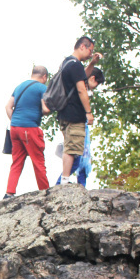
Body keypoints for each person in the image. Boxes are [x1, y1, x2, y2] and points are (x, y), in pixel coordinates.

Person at [54, 37, 104, 185]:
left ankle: (64, 179)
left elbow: (82, 75)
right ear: (82, 46)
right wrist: (88, 112)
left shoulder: (67, 63)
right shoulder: (75, 65)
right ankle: (64, 181)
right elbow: (82, 89)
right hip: (74, 114)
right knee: (73, 150)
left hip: (63, 112)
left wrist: (93, 63)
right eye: (90, 50)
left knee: (71, 147)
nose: (90, 54)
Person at [3, 66, 50, 199]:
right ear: (44, 77)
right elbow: (45, 109)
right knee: (38, 161)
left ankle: (9, 192)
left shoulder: (19, 87)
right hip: (29, 128)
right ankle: (45, 192)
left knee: (17, 161)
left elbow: (7, 106)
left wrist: (15, 121)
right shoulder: (41, 88)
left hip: (14, 128)